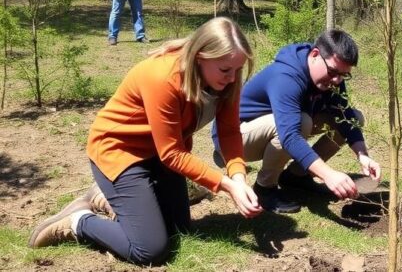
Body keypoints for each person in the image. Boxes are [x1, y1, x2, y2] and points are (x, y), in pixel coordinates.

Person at [28, 17, 262, 265]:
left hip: (159, 157)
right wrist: (225, 185)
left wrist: (238, 177)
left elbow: (229, 132)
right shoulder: (163, 76)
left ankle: (106, 200)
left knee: (179, 228)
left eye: (238, 70)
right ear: (200, 56)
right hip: (120, 153)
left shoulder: (227, 81)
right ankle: (79, 221)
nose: (233, 78)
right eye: (226, 70)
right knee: (150, 250)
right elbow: (172, 152)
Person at [212, 29, 381, 214]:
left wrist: (362, 154)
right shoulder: (286, 77)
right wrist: (328, 175)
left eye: (343, 75)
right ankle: (264, 188)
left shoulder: (331, 75)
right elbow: (290, 136)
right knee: (301, 122)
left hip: (277, 127)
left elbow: (345, 115)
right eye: (333, 72)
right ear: (315, 54)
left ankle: (296, 176)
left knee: (355, 118)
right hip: (234, 139)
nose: (337, 80)